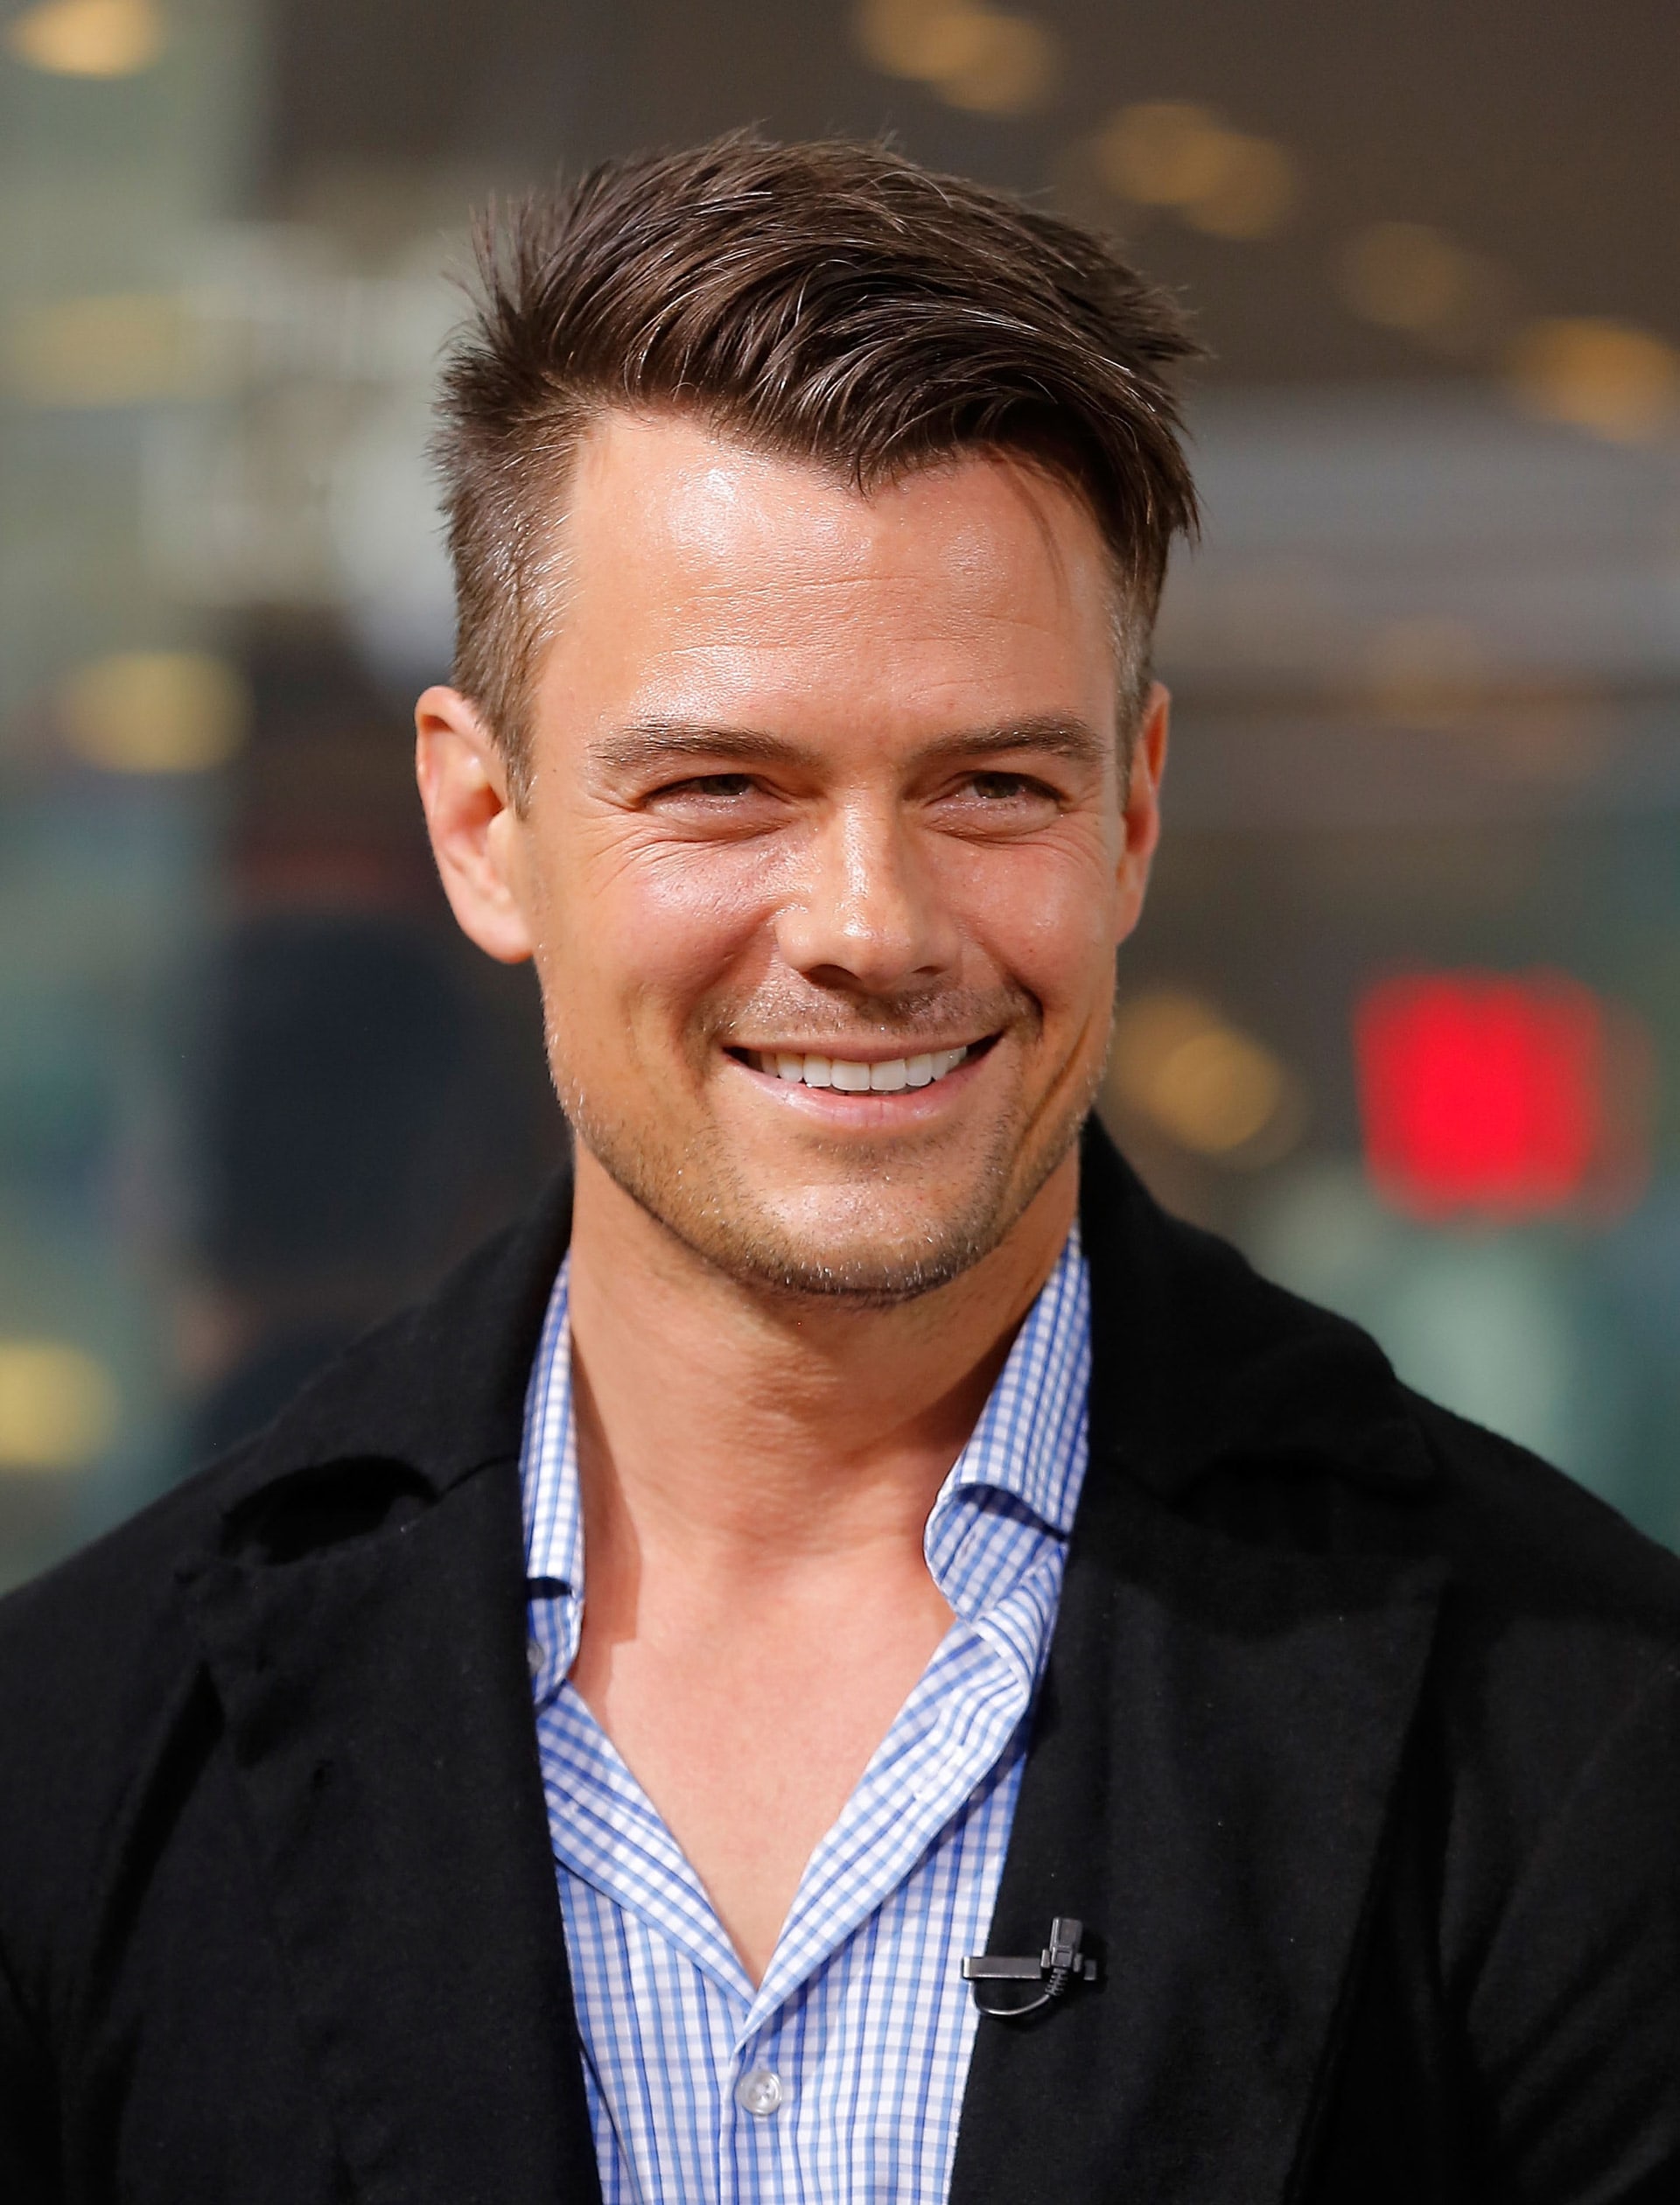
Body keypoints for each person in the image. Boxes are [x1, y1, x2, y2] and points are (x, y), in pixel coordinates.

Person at [1, 134, 1676, 2205]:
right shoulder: (72, 1758)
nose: (871, 927)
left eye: (992, 786)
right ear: (485, 827)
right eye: (726, 786)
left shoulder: (1584, 1725)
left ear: (1133, 815)